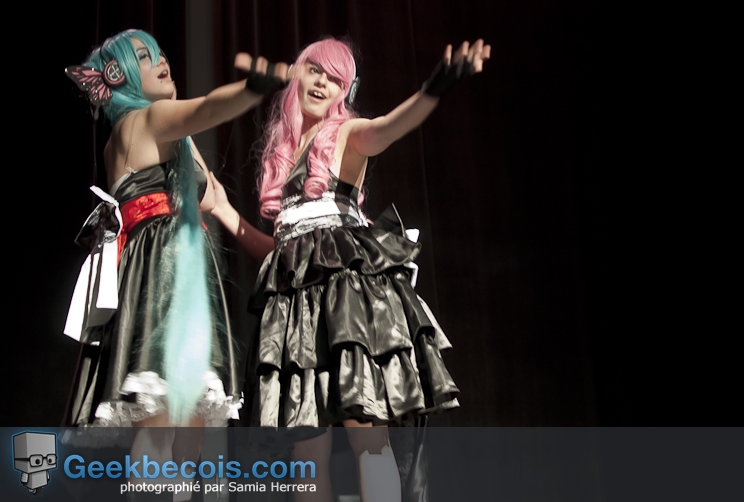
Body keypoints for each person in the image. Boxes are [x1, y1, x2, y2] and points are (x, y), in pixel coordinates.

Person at [209, 36, 490, 501]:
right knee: (306, 452)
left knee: (367, 436)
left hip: (347, 304)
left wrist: (435, 87)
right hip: (298, 314)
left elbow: (390, 127)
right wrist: (223, 211)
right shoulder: (282, 153)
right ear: (297, 75)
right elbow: (283, 255)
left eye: (336, 79)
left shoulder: (346, 133)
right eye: (315, 70)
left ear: (346, 91)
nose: (323, 83)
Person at [64, 29, 286, 462]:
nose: (162, 60)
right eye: (145, 57)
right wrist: (252, 89)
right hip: (163, 270)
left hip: (168, 267)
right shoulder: (148, 120)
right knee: (166, 426)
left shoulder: (144, 136)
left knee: (183, 432)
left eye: (161, 52)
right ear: (120, 74)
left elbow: (210, 195)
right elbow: (205, 109)